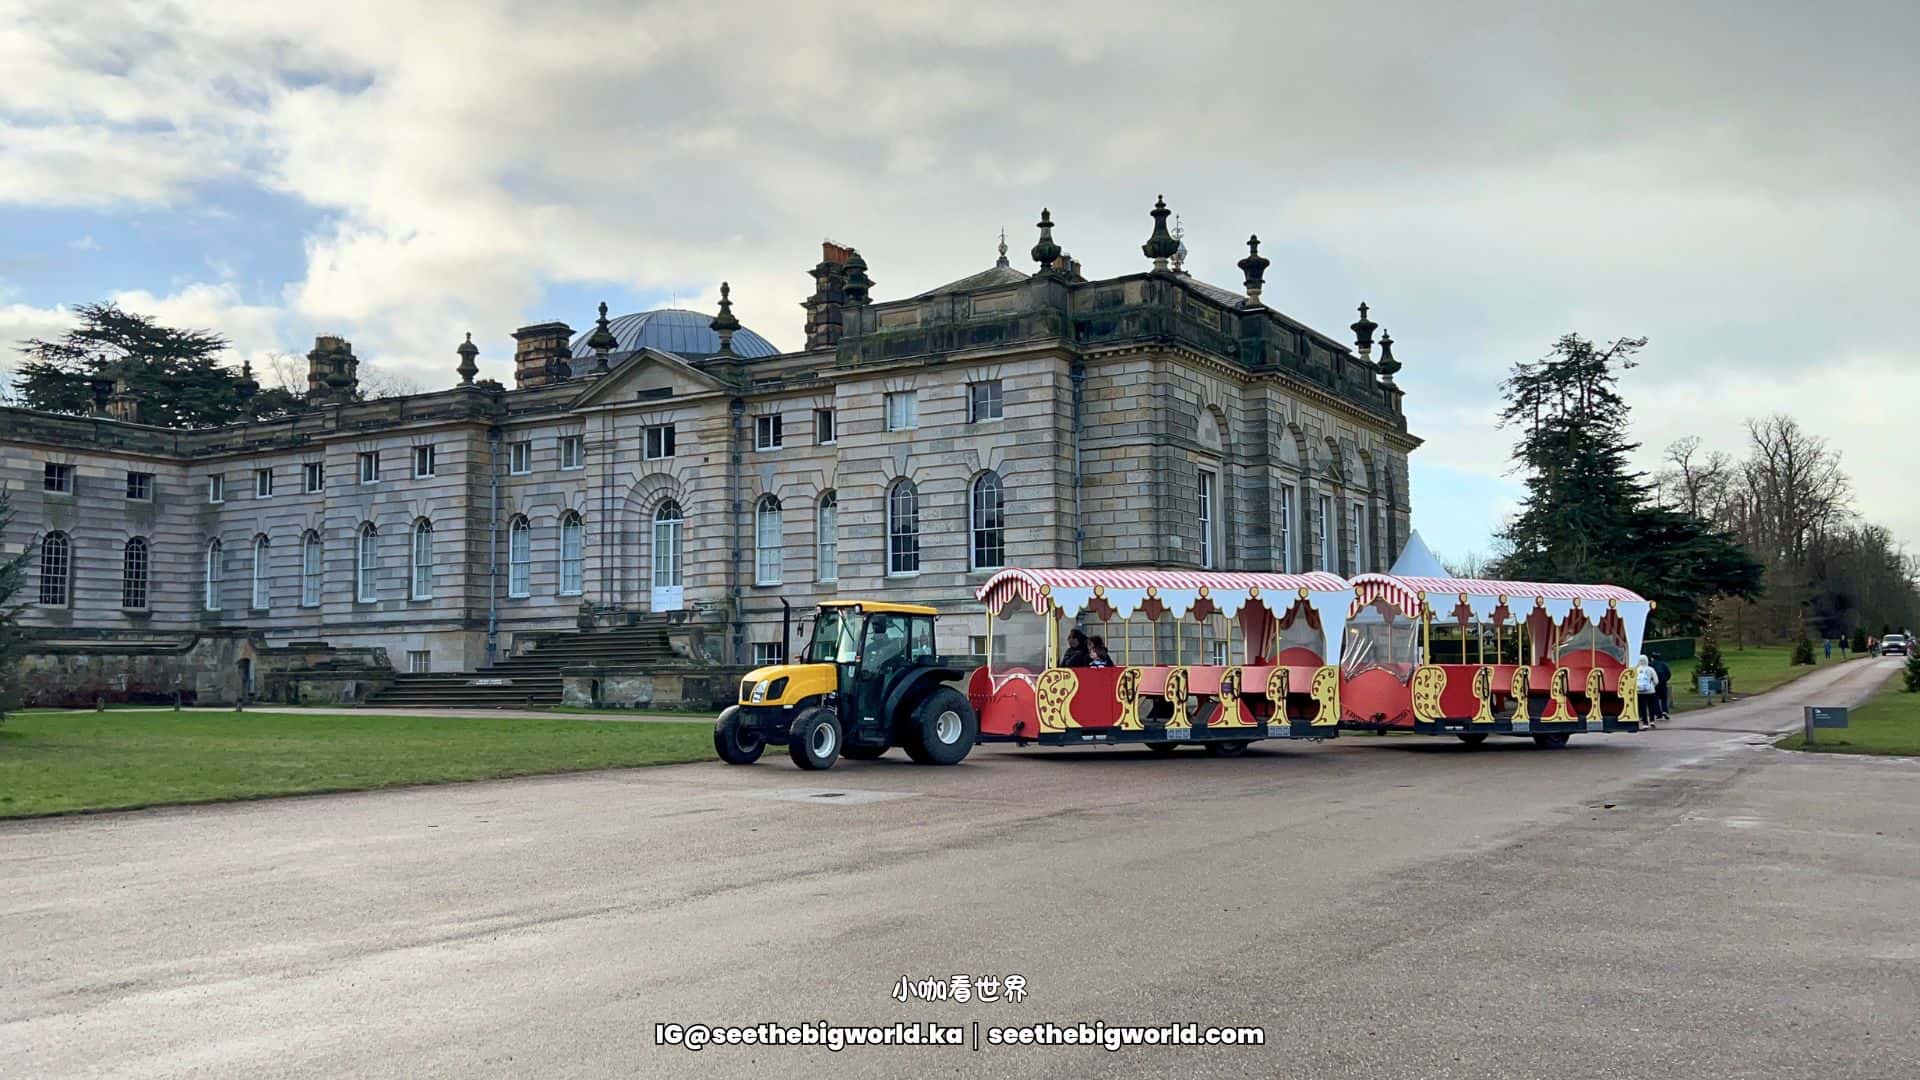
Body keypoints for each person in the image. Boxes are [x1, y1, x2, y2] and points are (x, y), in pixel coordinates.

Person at [1635, 653, 1659, 728]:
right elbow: (1656, 681)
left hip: (1639, 691)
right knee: (1651, 706)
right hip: (1650, 691)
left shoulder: (1636, 670)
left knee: (1642, 707)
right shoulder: (1650, 669)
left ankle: (1645, 723)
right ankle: (1652, 720)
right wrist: (1652, 686)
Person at [1650, 653, 1672, 720]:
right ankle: (1665, 711)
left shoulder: (1651, 665)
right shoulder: (1664, 664)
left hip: (1655, 684)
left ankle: (1658, 714)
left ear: (1652, 658)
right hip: (1663, 683)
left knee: (1655, 699)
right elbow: (1669, 673)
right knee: (1664, 698)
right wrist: (1665, 679)